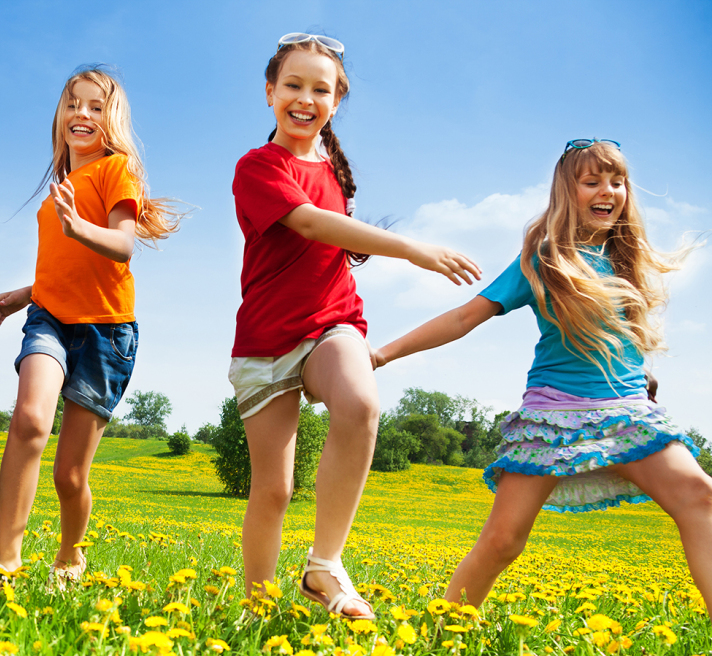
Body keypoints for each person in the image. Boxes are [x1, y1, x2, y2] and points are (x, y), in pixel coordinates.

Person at [372, 139, 709, 608]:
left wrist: (643, 378)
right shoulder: (543, 261)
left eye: (616, 182)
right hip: (556, 417)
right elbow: (463, 318)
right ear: (567, 193)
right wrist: (384, 354)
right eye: (592, 182)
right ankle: (444, 628)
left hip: (628, 415)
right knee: (504, 541)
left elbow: (621, 336)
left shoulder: (628, 260)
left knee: (700, 497)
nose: (606, 191)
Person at [229, 33, 481, 620]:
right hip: (265, 342)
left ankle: (324, 565)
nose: (305, 98)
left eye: (321, 88)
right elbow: (312, 225)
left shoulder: (335, 172)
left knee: (361, 404)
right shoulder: (258, 166)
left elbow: (330, 234)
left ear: (336, 101)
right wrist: (410, 249)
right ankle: (257, 605)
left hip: (331, 324)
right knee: (273, 490)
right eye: (293, 85)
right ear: (270, 92)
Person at [0, 65, 179, 594]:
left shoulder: (116, 172)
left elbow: (122, 246)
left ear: (110, 120)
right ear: (59, 116)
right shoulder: (57, 192)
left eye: (94, 106)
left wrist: (78, 225)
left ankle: (70, 556)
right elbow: (63, 265)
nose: (81, 114)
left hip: (106, 332)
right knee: (28, 421)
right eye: (72, 104)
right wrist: (25, 294)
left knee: (69, 474)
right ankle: (7, 560)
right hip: (49, 319)